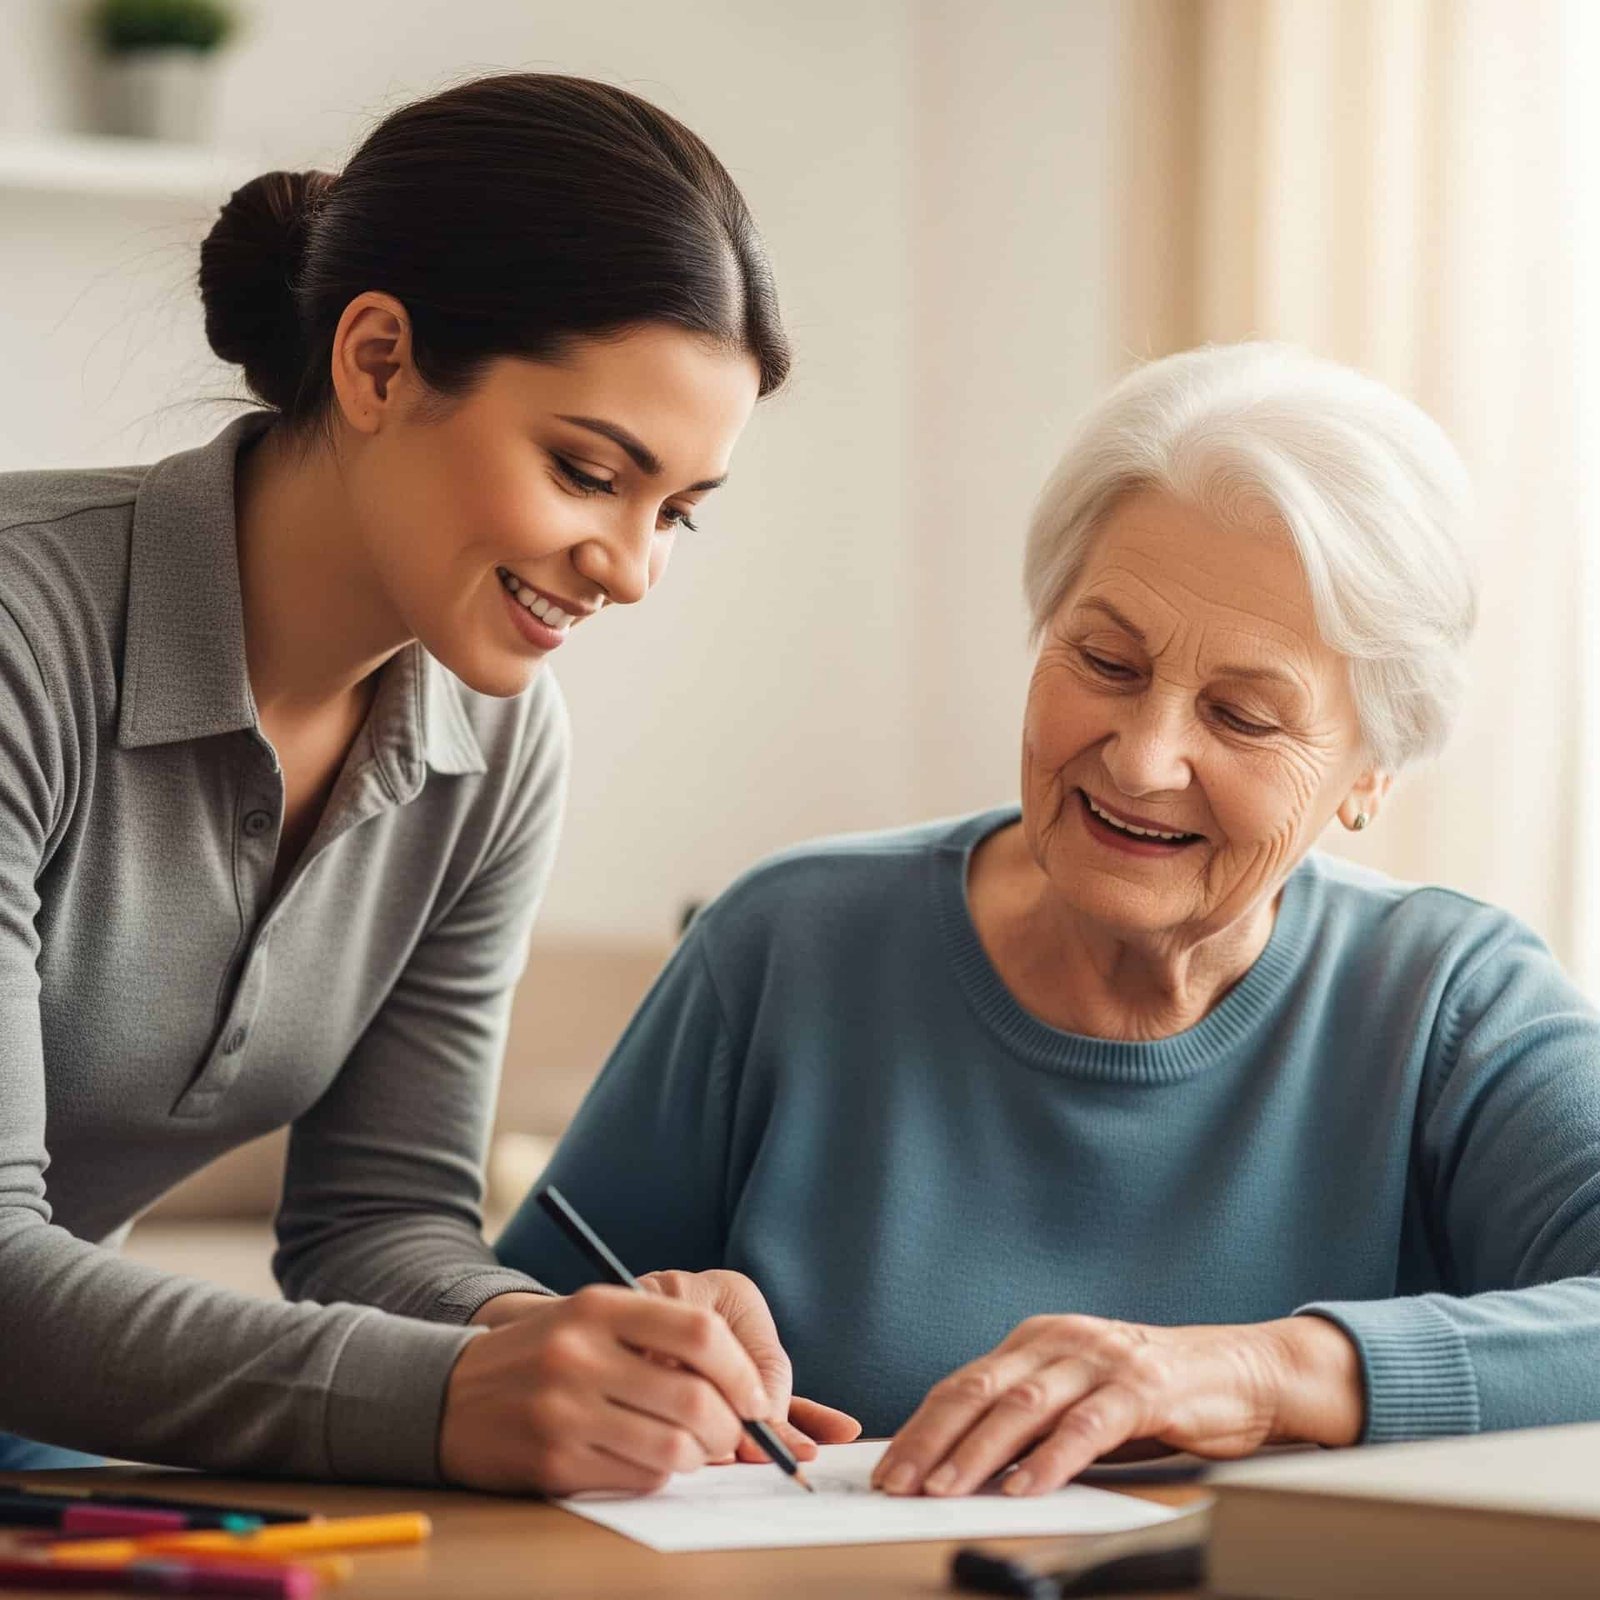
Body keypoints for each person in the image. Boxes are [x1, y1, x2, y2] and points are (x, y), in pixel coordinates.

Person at [498, 341, 1600, 1497]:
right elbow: (498, 1338)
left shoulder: (1447, 1001)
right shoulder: (786, 943)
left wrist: (1264, 1373)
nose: (1142, 756)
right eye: (1107, 660)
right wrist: (612, 1339)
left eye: (1241, 714)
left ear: (1371, 772)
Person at [0, 72, 858, 1492]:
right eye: (590, 472)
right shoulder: (26, 641)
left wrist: (562, 1349)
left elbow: (378, 1223)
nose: (632, 572)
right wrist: (449, 1394)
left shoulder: (498, 748)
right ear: (380, 362)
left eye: (677, 515)